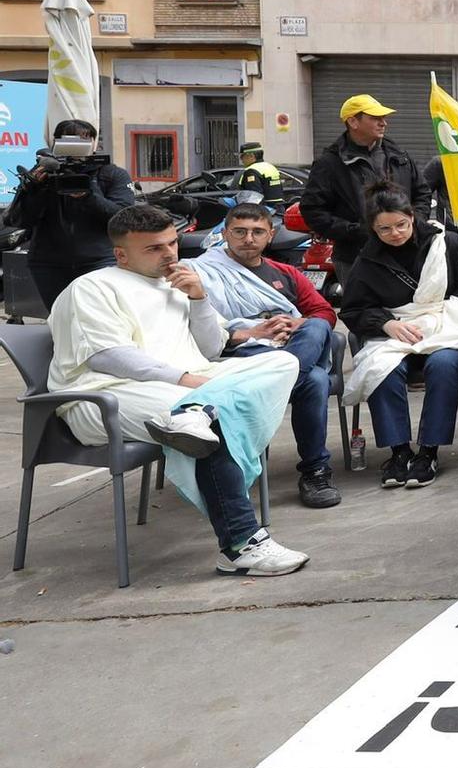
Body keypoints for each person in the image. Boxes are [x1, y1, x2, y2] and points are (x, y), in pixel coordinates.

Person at [48, 204, 308, 576]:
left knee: (282, 362)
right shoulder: (92, 287)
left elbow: (210, 349)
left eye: (172, 243)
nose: (169, 254)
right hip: (105, 394)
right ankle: (240, 546)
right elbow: (108, 357)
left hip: (184, 387)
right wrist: (186, 381)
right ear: (121, 254)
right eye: (154, 248)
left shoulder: (178, 282)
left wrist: (199, 299)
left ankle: (196, 411)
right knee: (209, 420)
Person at [339, 183, 458, 490]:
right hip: (397, 333)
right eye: (384, 229)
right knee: (381, 370)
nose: (395, 233)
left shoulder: (444, 242)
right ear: (372, 229)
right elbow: (353, 309)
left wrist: (455, 300)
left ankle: (429, 451)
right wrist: (386, 323)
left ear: (413, 217)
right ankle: (399, 452)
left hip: (447, 331)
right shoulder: (368, 259)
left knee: (443, 365)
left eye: (401, 225)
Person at [191, 203, 342, 508]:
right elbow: (198, 329)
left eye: (257, 231)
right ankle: (315, 469)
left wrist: (294, 323)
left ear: (270, 235)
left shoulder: (285, 273)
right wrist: (251, 332)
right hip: (239, 355)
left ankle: (313, 469)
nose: (249, 238)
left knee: (314, 328)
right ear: (225, 233)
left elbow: (324, 312)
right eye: (240, 231)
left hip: (288, 348)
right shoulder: (201, 272)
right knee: (312, 379)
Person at [8, 118, 137, 308]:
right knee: (60, 318)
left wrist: (88, 194)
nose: (75, 146)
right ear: (55, 143)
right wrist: (36, 188)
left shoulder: (111, 174)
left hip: (99, 259)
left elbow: (123, 218)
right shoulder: (44, 173)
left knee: (100, 315)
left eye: (83, 140)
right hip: (48, 263)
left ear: (94, 142)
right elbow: (20, 219)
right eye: (68, 140)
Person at [300, 94, 428, 276]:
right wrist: (357, 231)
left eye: (384, 118)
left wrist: (413, 223)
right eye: (375, 118)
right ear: (353, 122)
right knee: (361, 305)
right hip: (355, 257)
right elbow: (313, 211)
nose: (384, 123)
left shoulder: (399, 155)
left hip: (405, 254)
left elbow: (422, 192)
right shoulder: (330, 163)